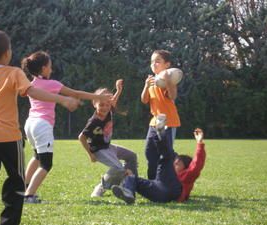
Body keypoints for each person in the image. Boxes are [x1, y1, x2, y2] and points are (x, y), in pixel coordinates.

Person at [0, 30, 79, 225]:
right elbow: (33, 91)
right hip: (9, 139)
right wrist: (62, 99)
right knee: (16, 182)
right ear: (7, 53)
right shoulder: (14, 72)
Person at [22, 51, 111, 203]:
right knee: (46, 164)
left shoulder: (32, 84)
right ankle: (29, 195)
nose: (51, 69)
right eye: (50, 67)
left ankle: (23, 187)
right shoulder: (53, 84)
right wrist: (98, 97)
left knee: (36, 157)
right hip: (42, 125)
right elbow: (76, 94)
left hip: (30, 124)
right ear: (43, 68)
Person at [111, 114, 206, 204]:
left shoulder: (188, 176)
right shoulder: (168, 172)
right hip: (159, 192)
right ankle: (128, 193)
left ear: (186, 167)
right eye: (175, 162)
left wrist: (200, 143)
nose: (175, 163)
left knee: (166, 157)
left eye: (178, 163)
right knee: (134, 179)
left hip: (173, 191)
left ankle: (161, 133)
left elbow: (197, 164)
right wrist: (130, 178)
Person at [78, 80, 138, 197]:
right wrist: (91, 155)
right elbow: (81, 137)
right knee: (118, 168)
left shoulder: (109, 109)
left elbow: (113, 101)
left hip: (108, 146)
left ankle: (132, 185)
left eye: (107, 104)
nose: (105, 107)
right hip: (99, 150)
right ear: (94, 104)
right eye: (101, 105)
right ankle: (100, 187)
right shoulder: (94, 122)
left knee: (131, 156)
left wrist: (119, 90)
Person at [141, 49, 181, 179]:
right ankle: (152, 181)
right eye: (152, 61)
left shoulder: (169, 80)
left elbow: (173, 95)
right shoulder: (151, 81)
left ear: (167, 65)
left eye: (158, 61)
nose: (154, 64)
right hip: (155, 122)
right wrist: (146, 86)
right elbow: (144, 100)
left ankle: (180, 167)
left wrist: (168, 81)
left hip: (168, 122)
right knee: (149, 152)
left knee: (166, 153)